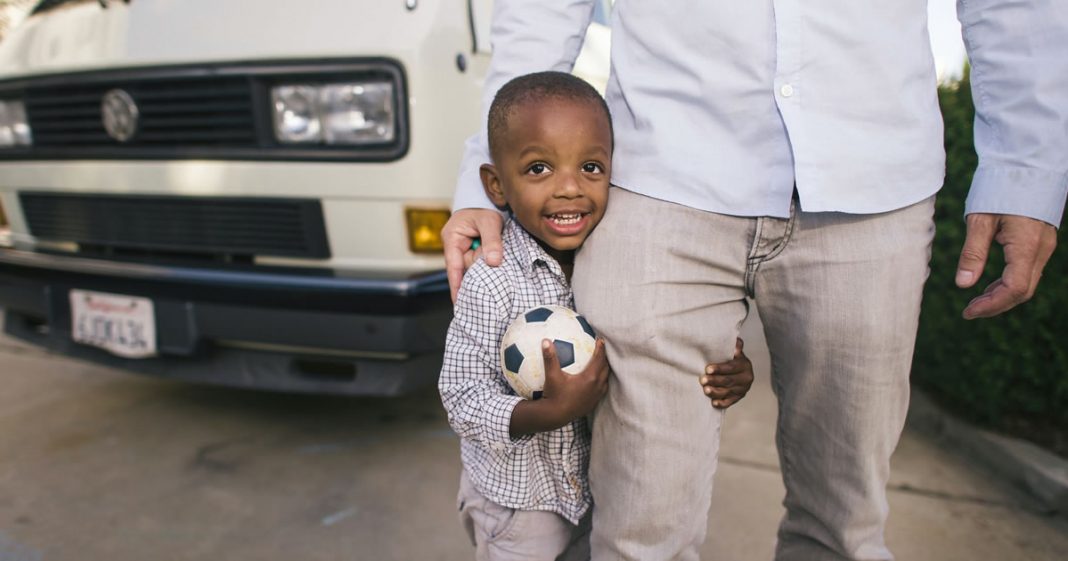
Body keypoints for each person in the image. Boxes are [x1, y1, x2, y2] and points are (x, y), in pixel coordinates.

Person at [443, 2, 1067, 560]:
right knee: (640, 529)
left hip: (875, 181)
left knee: (842, 525)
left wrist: (1027, 169)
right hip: (661, 175)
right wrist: (487, 173)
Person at [439, 71, 756, 560]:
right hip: (521, 506)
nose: (569, 188)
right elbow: (460, 396)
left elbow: (664, 345)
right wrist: (544, 412)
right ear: (496, 185)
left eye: (590, 167)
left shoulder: (625, 264)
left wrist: (728, 368)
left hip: (595, 494)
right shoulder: (492, 277)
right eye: (539, 169)